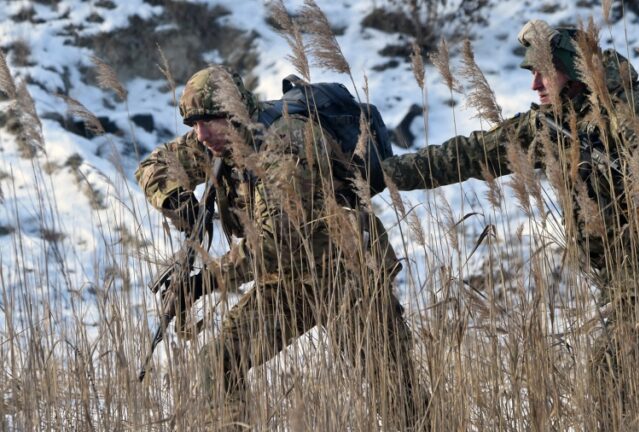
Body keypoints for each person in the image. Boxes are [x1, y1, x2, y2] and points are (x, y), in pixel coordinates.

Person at [380, 20, 639, 429]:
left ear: (571, 69)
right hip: (621, 274)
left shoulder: (629, 108)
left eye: (544, 72)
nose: (535, 84)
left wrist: (624, 168)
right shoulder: (549, 125)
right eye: (531, 73)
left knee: (608, 380)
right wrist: (383, 172)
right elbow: (467, 153)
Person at [136, 66, 427, 429]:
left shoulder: (286, 142)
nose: (201, 133)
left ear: (234, 111)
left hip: (346, 277)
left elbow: (278, 240)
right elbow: (152, 166)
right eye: (193, 124)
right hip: (286, 284)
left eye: (208, 120)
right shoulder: (218, 142)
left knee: (401, 399)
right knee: (219, 362)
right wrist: (176, 199)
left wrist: (205, 283)